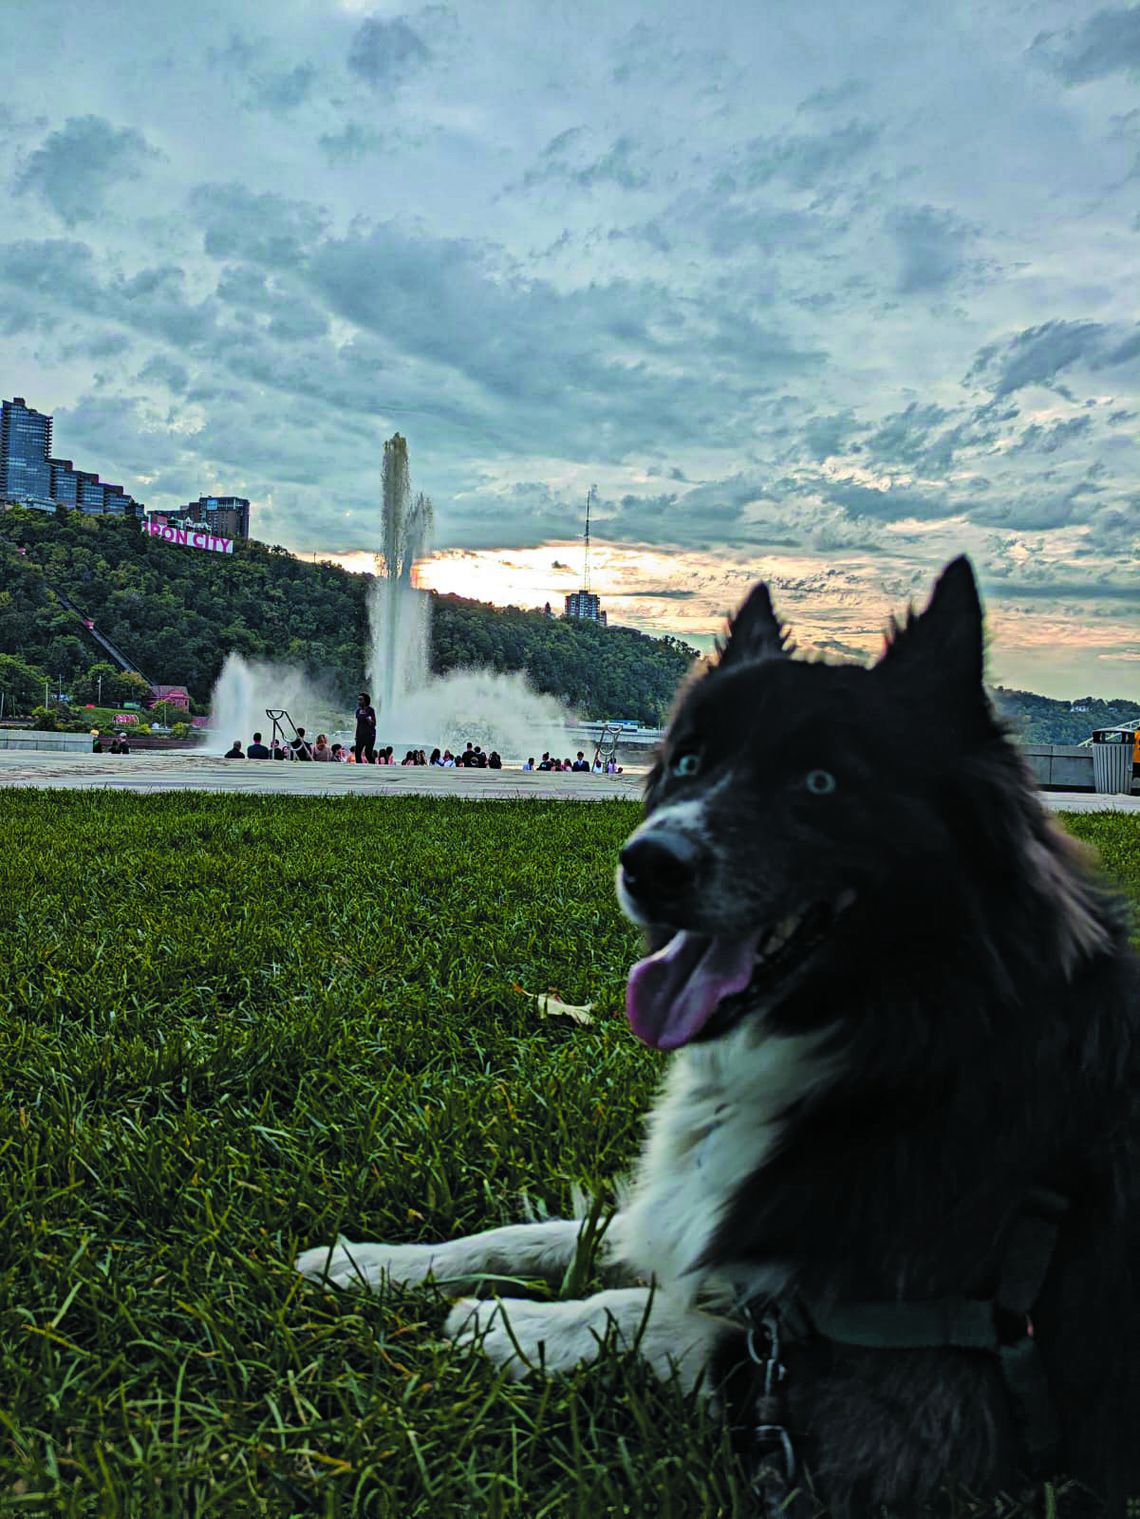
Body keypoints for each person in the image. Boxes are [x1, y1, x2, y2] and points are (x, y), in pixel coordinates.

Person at [354, 691, 377, 765]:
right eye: (358, 699)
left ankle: (373, 767)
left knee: (368, 754)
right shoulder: (358, 711)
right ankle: (359, 768)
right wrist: (356, 735)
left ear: (366, 701)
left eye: (361, 700)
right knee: (357, 753)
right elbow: (358, 724)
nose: (359, 701)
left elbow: (373, 724)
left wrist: (366, 716)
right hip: (360, 735)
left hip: (369, 735)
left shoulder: (370, 710)